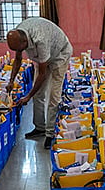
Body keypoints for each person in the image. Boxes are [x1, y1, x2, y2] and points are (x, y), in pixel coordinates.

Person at [5, 17, 73, 148]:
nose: (20, 52)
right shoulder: (19, 34)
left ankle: (50, 133)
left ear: (25, 42)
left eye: (21, 49)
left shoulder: (40, 40)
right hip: (44, 56)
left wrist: (28, 96)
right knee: (38, 95)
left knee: (53, 96)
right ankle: (40, 128)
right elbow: (17, 60)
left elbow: (42, 75)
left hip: (60, 55)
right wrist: (11, 81)